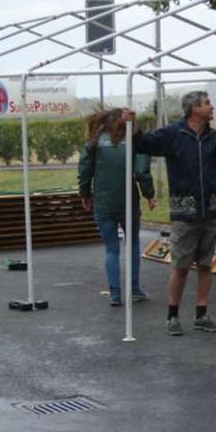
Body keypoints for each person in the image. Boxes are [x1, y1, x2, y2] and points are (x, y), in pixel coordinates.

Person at [125, 91, 216, 336]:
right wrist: (132, 125)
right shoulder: (174, 133)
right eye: (207, 103)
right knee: (181, 266)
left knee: (205, 264)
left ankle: (202, 314)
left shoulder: (215, 139)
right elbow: (145, 143)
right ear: (194, 108)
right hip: (184, 214)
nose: (211, 107)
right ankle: (172, 316)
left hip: (211, 211)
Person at [77, 108, 157, 306]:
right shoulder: (133, 141)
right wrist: (149, 195)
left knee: (111, 249)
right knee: (133, 244)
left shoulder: (95, 141)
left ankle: (114, 294)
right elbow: (141, 171)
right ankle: (135, 289)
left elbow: (85, 169)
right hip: (128, 200)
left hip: (103, 201)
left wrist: (85, 194)